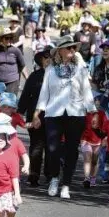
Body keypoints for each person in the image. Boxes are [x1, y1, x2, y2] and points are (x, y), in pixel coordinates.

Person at [33, 36, 96, 200]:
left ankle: (66, 184)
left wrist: (93, 112)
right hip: (54, 113)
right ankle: (54, 178)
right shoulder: (50, 70)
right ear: (60, 51)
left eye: (74, 48)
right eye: (68, 48)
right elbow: (44, 93)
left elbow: (87, 91)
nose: (72, 51)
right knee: (53, 149)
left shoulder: (81, 69)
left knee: (71, 151)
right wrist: (37, 113)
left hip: (76, 113)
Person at [18, 47, 52, 187]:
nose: (48, 60)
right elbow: (25, 95)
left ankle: (51, 175)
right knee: (36, 146)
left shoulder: (59, 76)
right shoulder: (34, 76)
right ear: (41, 60)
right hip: (35, 115)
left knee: (52, 147)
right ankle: (34, 175)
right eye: (46, 57)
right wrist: (20, 113)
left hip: (53, 116)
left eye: (51, 57)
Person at [0, 29, 27, 94]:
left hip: (12, 82)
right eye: (6, 38)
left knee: (9, 103)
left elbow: (23, 66)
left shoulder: (16, 50)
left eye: (10, 38)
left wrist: (28, 80)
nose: (9, 40)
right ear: (2, 39)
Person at [81, 95, 107, 188]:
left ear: (100, 102)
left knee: (95, 161)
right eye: (93, 100)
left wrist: (105, 139)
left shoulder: (102, 114)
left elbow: (105, 129)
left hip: (97, 141)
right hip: (85, 140)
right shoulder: (84, 112)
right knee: (87, 158)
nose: (96, 101)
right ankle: (86, 178)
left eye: (97, 100)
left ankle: (93, 178)